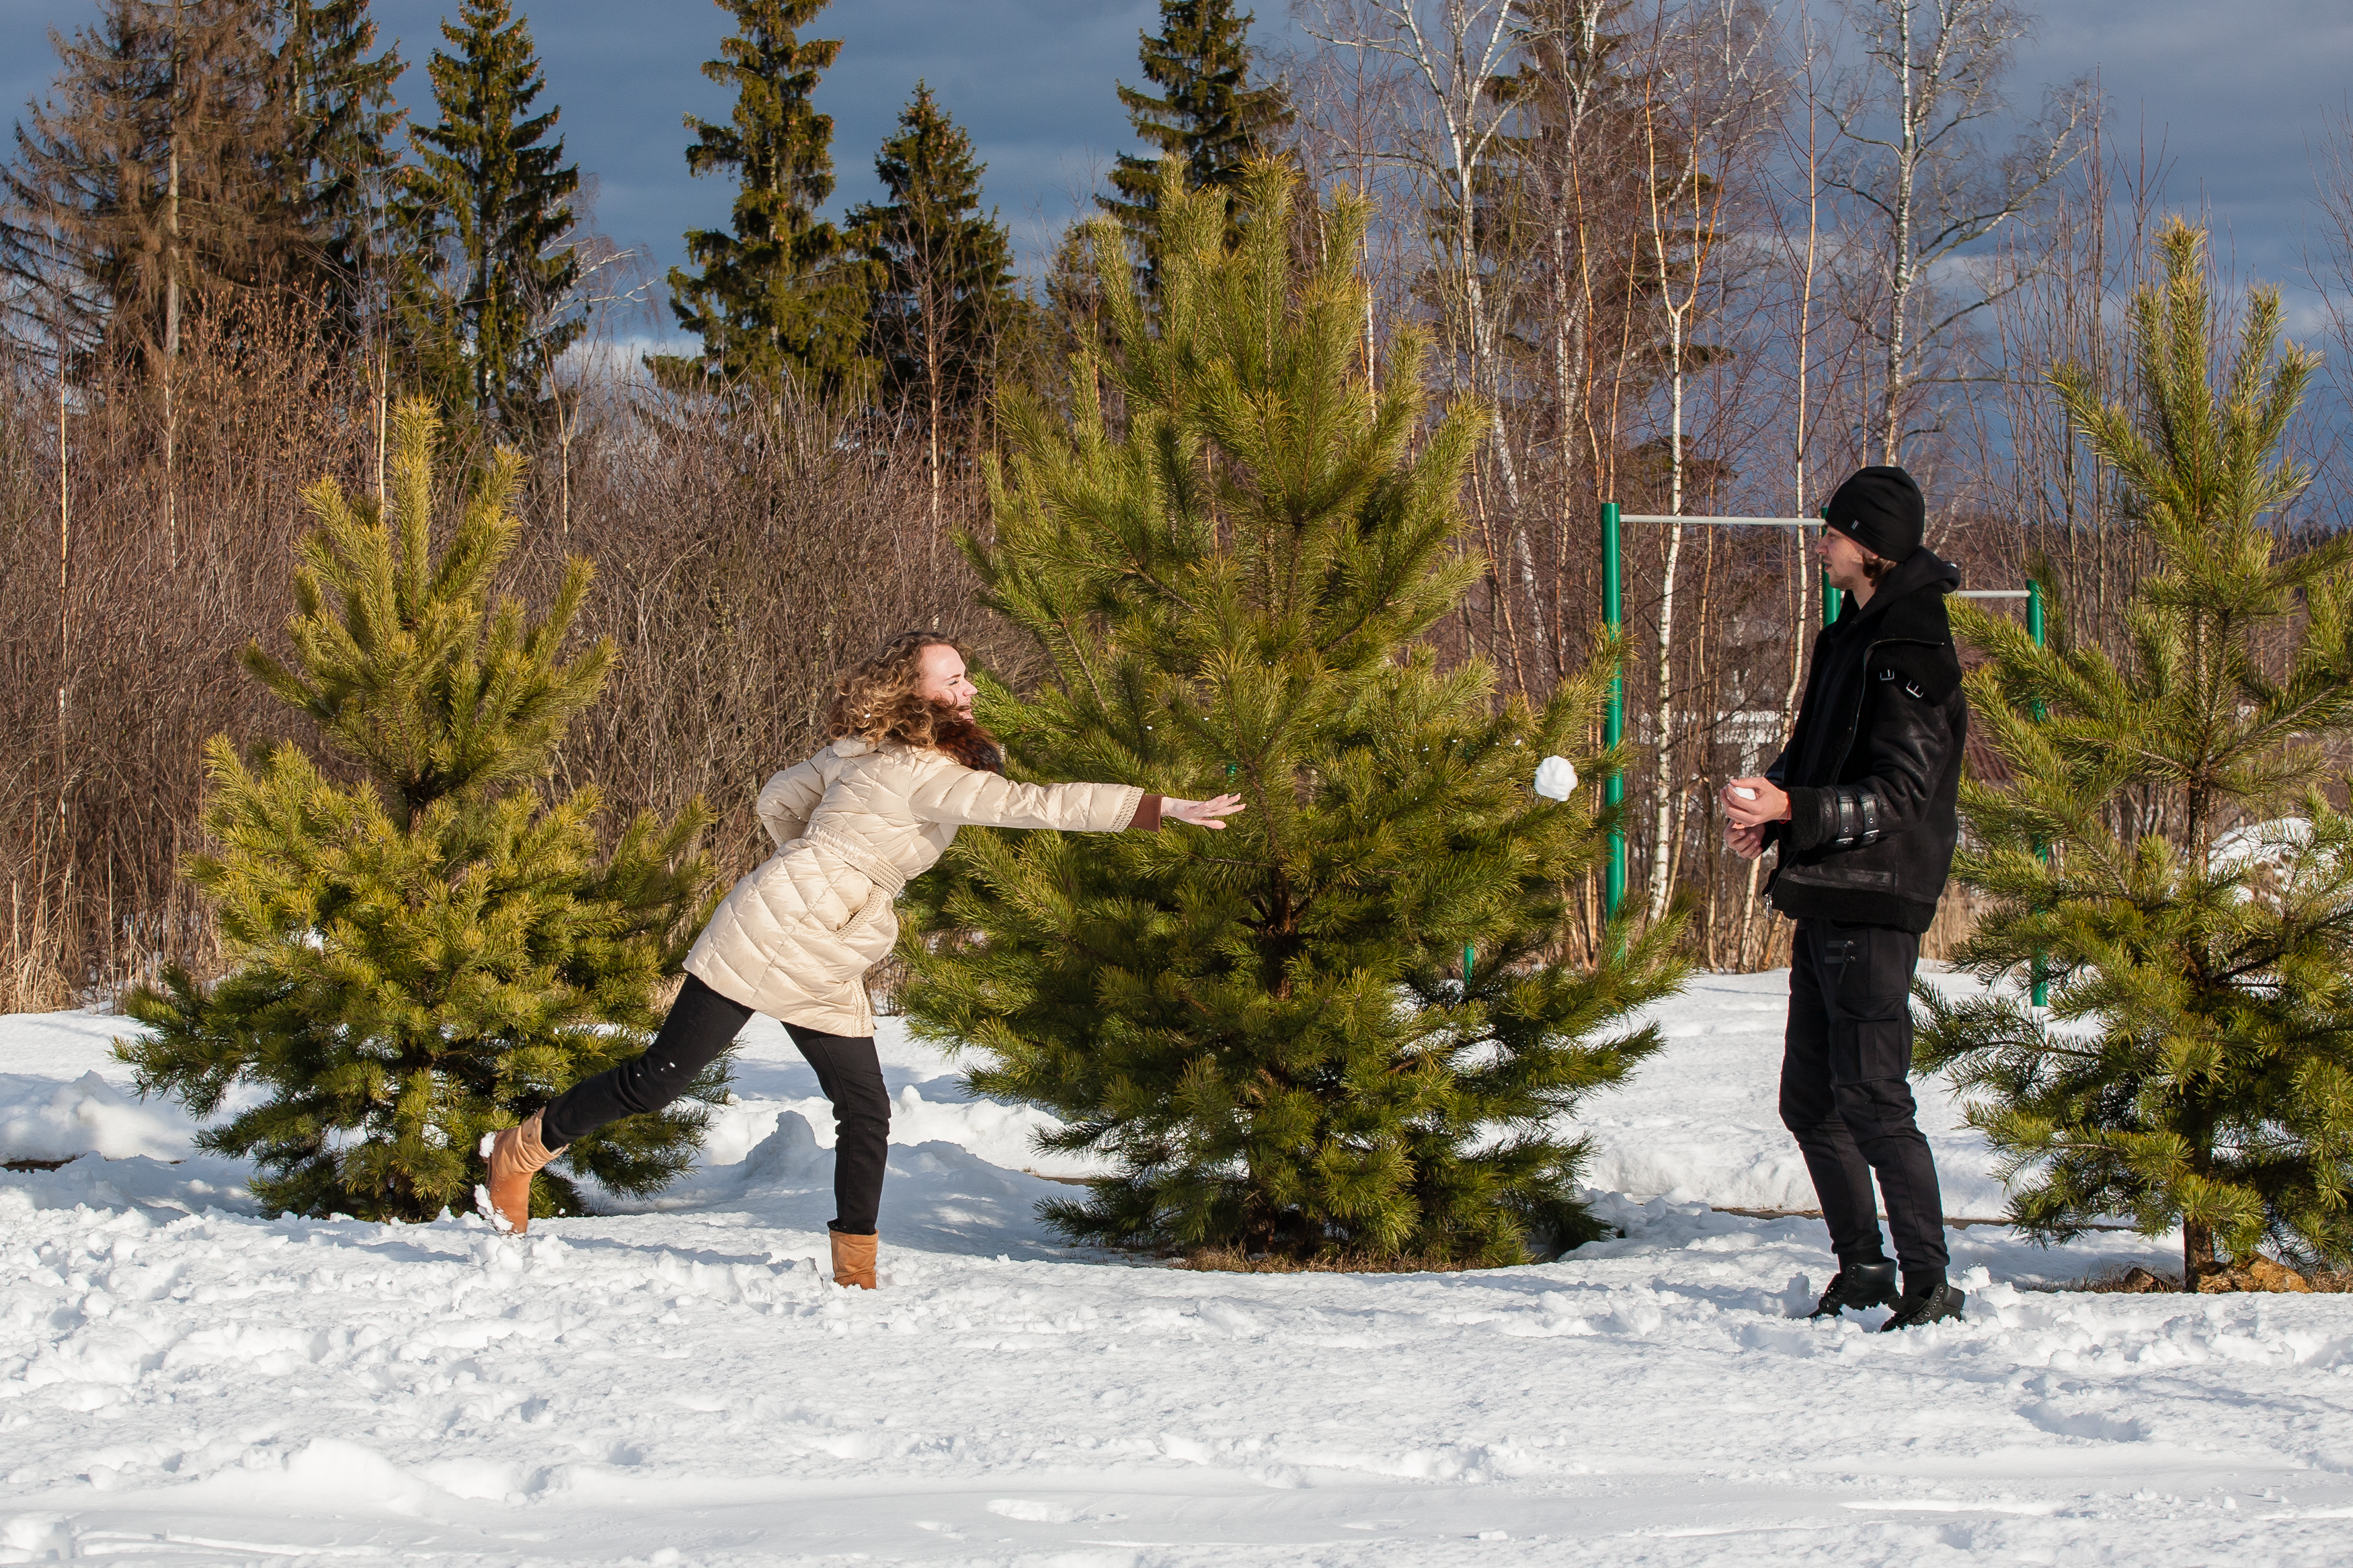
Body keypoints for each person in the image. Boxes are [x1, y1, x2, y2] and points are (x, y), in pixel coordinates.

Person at [478, 631, 1244, 1287]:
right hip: (779, 922)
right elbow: (1035, 805)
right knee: (660, 1078)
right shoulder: (928, 776)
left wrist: (808, 864)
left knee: (865, 1108)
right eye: (953, 678)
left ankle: (855, 1270)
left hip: (817, 931)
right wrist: (1157, 807)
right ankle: (520, 1150)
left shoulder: (860, 752)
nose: (969, 685)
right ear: (915, 693)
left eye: (965, 674)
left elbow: (775, 798)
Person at [1720, 465, 1969, 1331]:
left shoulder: (1910, 647)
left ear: (1868, 545)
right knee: (1810, 1102)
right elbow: (1817, 757)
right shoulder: (1851, 635)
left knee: (1871, 1099)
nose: (1818, 541)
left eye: (1830, 529)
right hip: (1826, 888)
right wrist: (1773, 810)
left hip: (1872, 900)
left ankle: (1928, 1283)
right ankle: (1862, 1266)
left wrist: (1802, 809)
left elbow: (1901, 790)